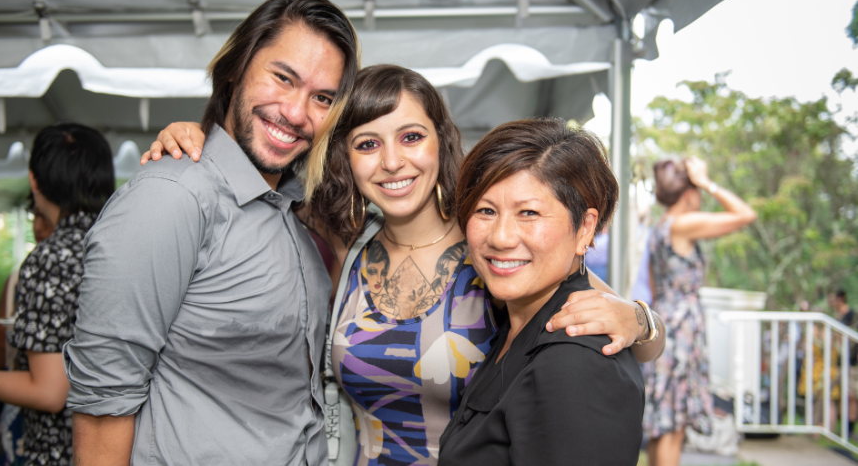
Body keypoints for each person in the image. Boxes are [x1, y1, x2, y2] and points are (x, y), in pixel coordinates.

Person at [146, 64, 665, 465]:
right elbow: (257, 170)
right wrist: (198, 141)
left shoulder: (495, 244)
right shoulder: (343, 243)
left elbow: (603, 319)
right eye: (368, 144)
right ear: (345, 158)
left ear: (441, 139)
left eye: (411, 137)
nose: (392, 161)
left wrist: (640, 318)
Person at [62, 0, 360, 466]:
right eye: (283, 78)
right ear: (235, 69)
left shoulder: (294, 210)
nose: (297, 112)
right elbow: (103, 404)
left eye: (322, 98)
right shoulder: (171, 196)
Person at [437, 117, 645, 465]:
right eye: (486, 210)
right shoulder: (517, 324)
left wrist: (643, 320)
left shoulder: (574, 363)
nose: (501, 237)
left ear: (585, 228)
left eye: (529, 213)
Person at [0, 123, 116, 466]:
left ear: (34, 181)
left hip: (64, 452)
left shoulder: (51, 258)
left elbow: (49, 392)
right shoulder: (125, 244)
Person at [643, 156, 756, 466]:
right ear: (689, 192)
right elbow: (745, 214)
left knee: (662, 423)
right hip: (683, 328)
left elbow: (654, 287)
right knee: (673, 428)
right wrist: (708, 181)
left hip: (664, 321)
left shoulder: (659, 228)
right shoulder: (683, 223)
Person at [828, 288, 858, 433]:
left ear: (840, 299)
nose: (830, 303)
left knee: (851, 395)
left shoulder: (852, 316)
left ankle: (850, 429)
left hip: (852, 363)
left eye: (832, 299)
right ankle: (842, 429)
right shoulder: (836, 317)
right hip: (838, 362)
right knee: (840, 395)